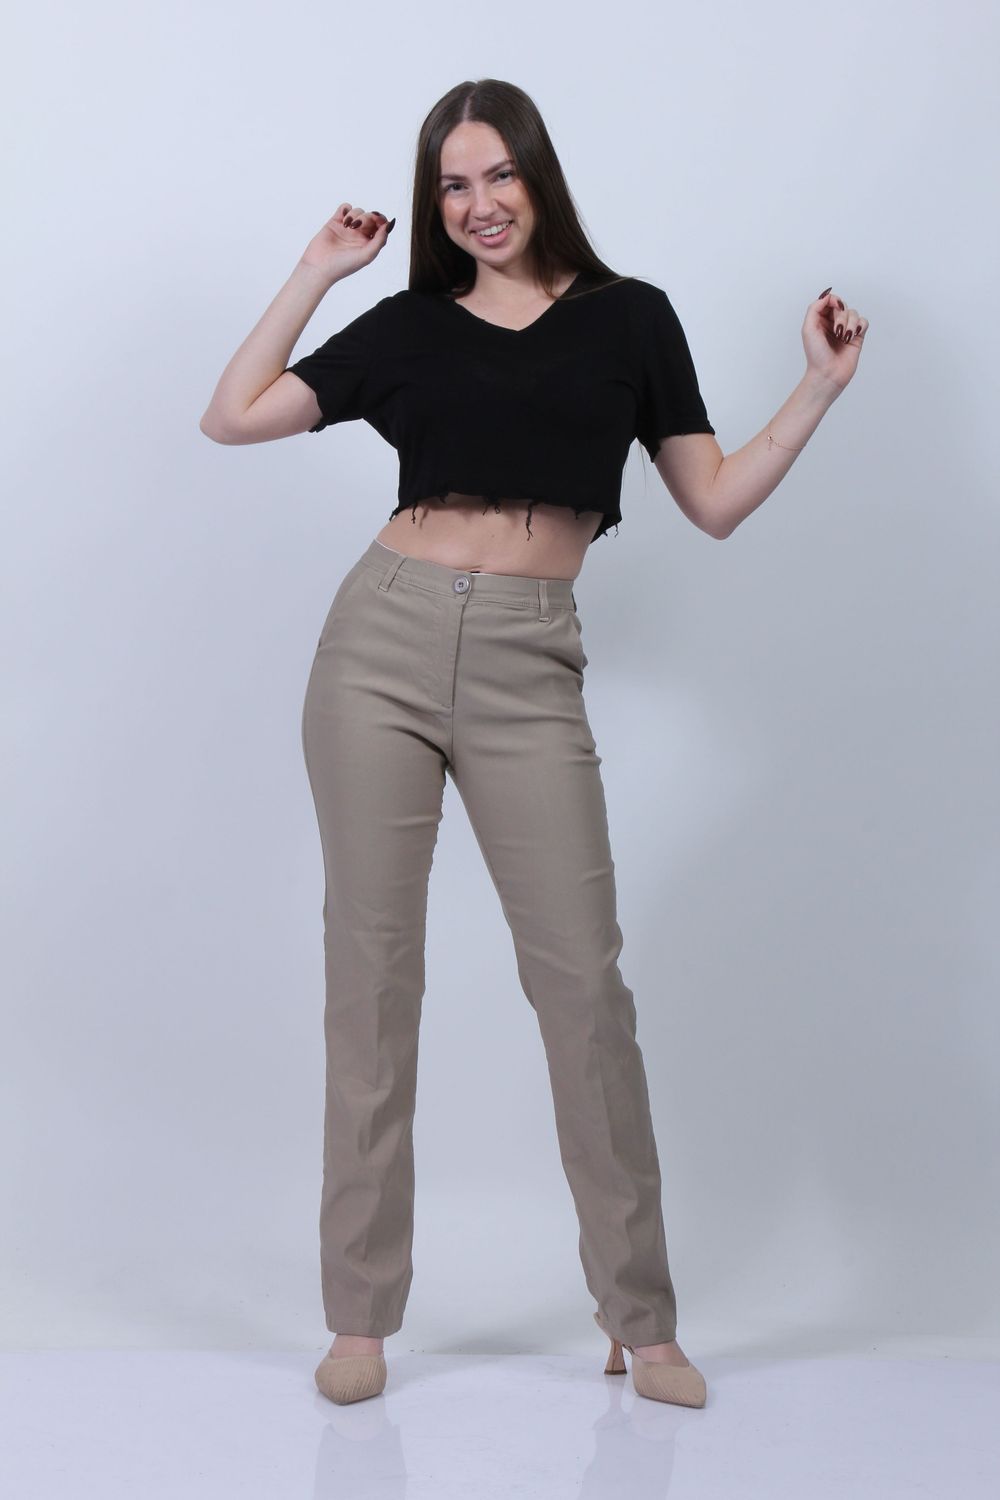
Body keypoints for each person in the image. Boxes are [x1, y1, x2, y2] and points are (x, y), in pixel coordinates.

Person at [200, 78, 867, 1408]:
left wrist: (819, 387)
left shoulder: (631, 318)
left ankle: (641, 1316)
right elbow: (234, 412)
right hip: (378, 646)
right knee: (371, 979)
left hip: (529, 659)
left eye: (497, 175)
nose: (478, 204)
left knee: (583, 988)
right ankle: (358, 1318)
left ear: (538, 176)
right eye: (452, 185)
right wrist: (318, 268)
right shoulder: (408, 324)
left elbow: (714, 498)